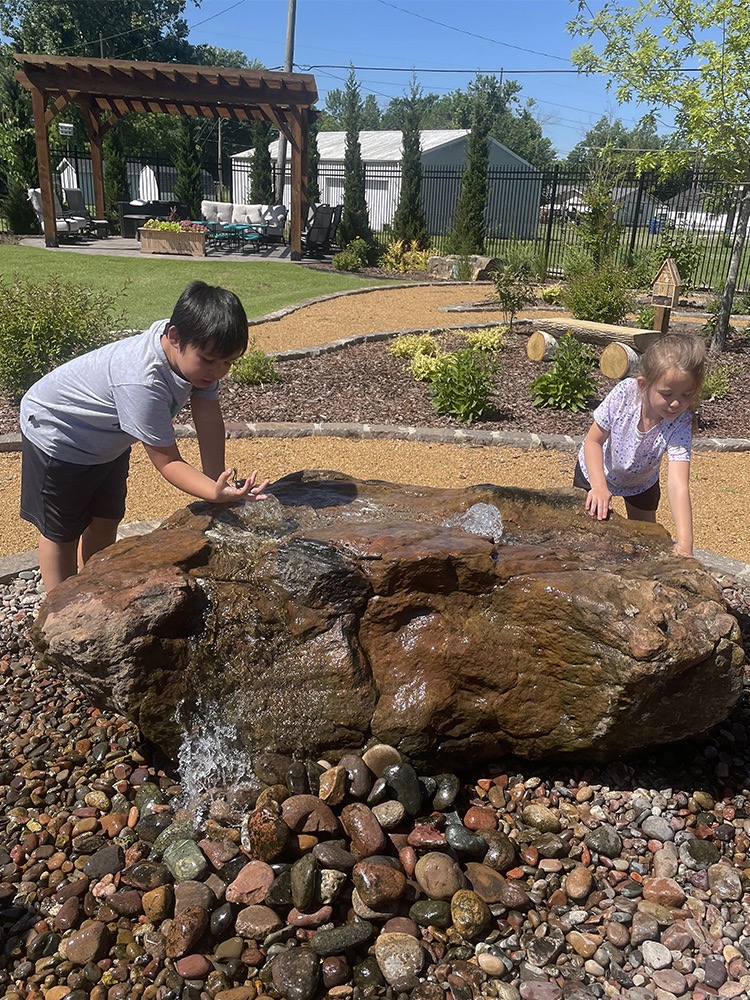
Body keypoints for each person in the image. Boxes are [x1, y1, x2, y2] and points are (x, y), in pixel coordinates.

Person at [19, 280, 270, 592]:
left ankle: (94, 585)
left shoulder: (197, 359)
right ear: (175, 336)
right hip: (59, 434)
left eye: (228, 363)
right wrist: (211, 493)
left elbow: (207, 415)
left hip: (109, 438)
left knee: (106, 517)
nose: (218, 371)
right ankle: (58, 610)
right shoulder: (141, 381)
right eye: (209, 360)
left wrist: (216, 479)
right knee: (61, 531)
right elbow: (167, 462)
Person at [574, 332, 706, 558]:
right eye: (666, 394)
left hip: (641, 482)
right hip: (597, 472)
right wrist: (598, 486)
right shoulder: (625, 394)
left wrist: (685, 543)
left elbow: (678, 484)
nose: (676, 403)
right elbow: (593, 442)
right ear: (644, 384)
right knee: (587, 537)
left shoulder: (680, 422)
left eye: (686, 395)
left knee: (645, 541)